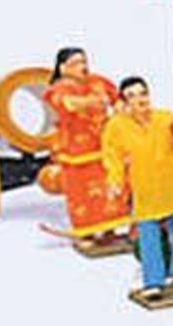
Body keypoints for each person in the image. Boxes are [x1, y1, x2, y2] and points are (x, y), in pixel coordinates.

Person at [101, 75, 173, 305]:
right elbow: (113, 157)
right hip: (146, 190)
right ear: (123, 102)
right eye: (132, 96)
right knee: (149, 240)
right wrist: (115, 181)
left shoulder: (165, 119)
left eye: (143, 93)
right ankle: (153, 282)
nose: (140, 99)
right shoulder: (116, 127)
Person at [43, 46, 132, 243]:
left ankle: (110, 230)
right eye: (75, 63)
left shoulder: (98, 81)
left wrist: (121, 111)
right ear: (63, 67)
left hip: (104, 144)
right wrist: (93, 101)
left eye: (83, 61)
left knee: (110, 188)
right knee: (81, 194)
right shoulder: (58, 88)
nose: (82, 66)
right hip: (76, 150)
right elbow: (67, 104)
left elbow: (117, 99)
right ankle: (86, 232)